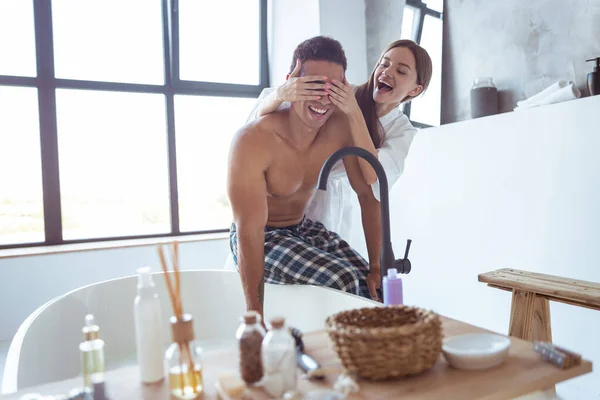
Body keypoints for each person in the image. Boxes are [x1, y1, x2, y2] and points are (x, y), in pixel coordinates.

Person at [227, 36, 383, 318]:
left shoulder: (339, 128)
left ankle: (374, 357)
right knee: (342, 281)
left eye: (333, 88)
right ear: (291, 84)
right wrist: (255, 316)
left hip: (303, 229)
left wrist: (375, 266)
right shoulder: (253, 140)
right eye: (314, 86)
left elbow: (367, 195)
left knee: (375, 288)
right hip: (262, 236)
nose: (323, 98)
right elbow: (249, 231)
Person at [247, 40, 433, 240]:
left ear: (414, 90)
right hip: (285, 192)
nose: (387, 72)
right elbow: (258, 122)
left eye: (401, 71)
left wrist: (353, 112)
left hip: (327, 205)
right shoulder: (343, 91)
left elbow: (372, 175)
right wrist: (280, 94)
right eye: (384, 64)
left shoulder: (401, 130)